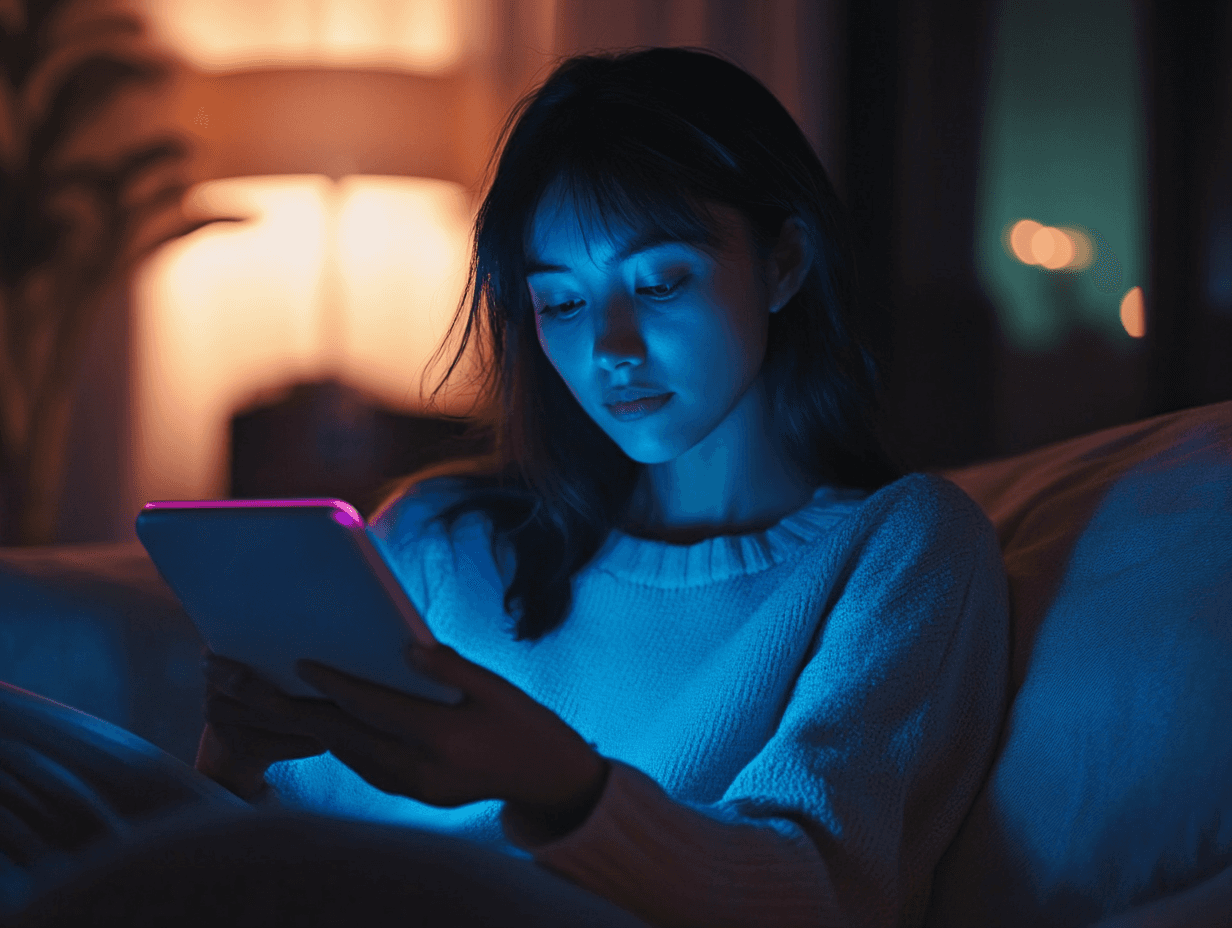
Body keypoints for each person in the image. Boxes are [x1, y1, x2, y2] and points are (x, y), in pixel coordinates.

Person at [195, 46, 1010, 928]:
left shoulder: (900, 549)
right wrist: (232, 757)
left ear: (782, 263)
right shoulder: (441, 537)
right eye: (564, 304)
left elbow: (821, 890)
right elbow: (252, 852)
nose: (611, 347)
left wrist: (557, 783)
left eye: (660, 282)